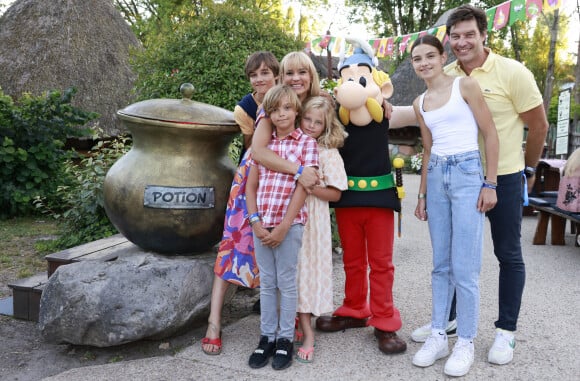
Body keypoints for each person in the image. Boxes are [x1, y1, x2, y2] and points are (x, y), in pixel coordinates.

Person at [410, 4, 549, 367]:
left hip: (499, 176)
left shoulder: (512, 72)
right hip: (455, 176)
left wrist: (529, 169)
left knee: (507, 253)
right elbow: (427, 117)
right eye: (455, 36)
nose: (462, 41)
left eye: (469, 34)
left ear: (485, 34)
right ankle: (449, 322)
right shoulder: (448, 73)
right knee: (453, 254)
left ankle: (505, 330)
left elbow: (539, 125)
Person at [410, 34, 499, 377]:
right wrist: (421, 196)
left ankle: (465, 340)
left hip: (466, 173)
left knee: (465, 267)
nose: (424, 63)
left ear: (441, 55)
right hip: (436, 177)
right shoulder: (420, 102)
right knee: (440, 265)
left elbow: (490, 133)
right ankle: (438, 335)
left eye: (429, 56)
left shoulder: (466, 86)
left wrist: (489, 183)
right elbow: (428, 150)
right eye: (417, 59)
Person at [201, 51, 279, 356]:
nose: (259, 79)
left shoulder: (288, 97)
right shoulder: (246, 108)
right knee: (232, 244)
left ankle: (284, 319)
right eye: (253, 75)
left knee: (277, 244)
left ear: (276, 73)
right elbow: (252, 148)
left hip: (281, 177)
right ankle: (214, 322)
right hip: (252, 175)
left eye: (264, 73)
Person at [245, 84, 319, 371]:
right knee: (267, 283)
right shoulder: (264, 148)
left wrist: (284, 227)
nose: (281, 115)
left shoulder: (305, 144)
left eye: (287, 108)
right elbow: (251, 187)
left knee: (286, 284)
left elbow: (305, 185)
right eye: (274, 110)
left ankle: (285, 339)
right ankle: (266, 337)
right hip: (261, 224)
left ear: (296, 109)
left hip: (289, 226)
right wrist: (255, 222)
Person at [294, 96, 348, 364]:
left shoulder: (328, 153)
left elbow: (336, 194)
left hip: (312, 221)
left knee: (307, 274)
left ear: (327, 126)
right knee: (290, 271)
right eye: (307, 119)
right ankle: (290, 322)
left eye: (318, 122)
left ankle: (308, 333)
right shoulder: (289, 145)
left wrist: (309, 186)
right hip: (286, 216)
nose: (311, 126)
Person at [250, 51, 323, 190]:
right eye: (289, 73)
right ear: (282, 78)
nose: (295, 78)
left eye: (302, 72)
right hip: (270, 186)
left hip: (310, 189)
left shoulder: (320, 106)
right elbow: (257, 151)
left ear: (311, 76)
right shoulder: (271, 108)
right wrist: (299, 171)